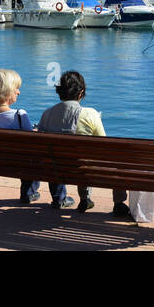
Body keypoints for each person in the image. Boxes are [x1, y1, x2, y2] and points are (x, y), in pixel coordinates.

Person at [37, 70, 130, 216]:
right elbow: (104, 145)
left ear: (60, 92)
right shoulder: (89, 114)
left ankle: (80, 199)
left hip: (54, 168)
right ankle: (118, 203)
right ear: (81, 93)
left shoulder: (47, 113)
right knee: (111, 159)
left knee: (66, 155)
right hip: (83, 169)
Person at [0, 68, 41, 204]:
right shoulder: (19, 114)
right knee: (35, 155)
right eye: (17, 88)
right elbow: (31, 141)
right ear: (7, 91)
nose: (19, 92)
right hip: (18, 162)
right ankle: (28, 192)